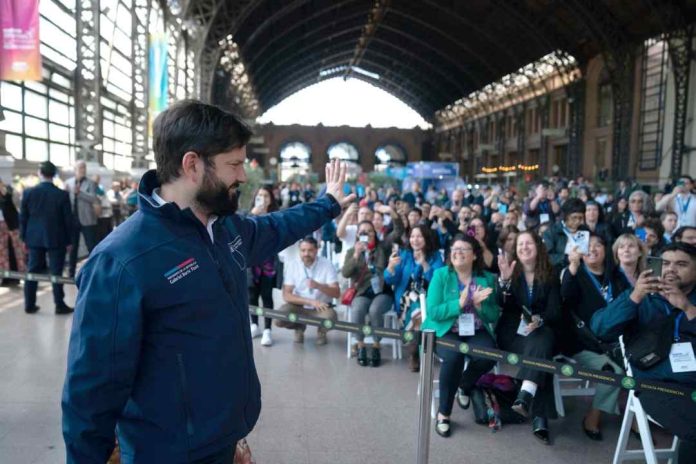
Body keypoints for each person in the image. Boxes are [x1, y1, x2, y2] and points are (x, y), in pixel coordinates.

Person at [61, 100, 354, 463]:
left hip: (223, 438)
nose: (243, 176)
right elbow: (91, 393)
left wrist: (327, 204)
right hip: (166, 453)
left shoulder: (225, 228)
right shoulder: (121, 262)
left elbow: (276, 227)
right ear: (192, 164)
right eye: (233, 164)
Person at [591, 242, 696, 462]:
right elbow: (600, 328)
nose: (671, 269)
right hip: (657, 385)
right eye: (665, 263)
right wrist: (635, 297)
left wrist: (688, 308)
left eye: (681, 264)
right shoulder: (642, 295)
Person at [423, 234, 500, 437]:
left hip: (476, 330)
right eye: (454, 249)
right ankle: (444, 413)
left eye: (463, 249)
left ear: (474, 255)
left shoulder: (486, 278)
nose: (457, 252)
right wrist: (458, 304)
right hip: (446, 330)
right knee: (453, 357)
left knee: (490, 354)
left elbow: (493, 315)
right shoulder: (441, 275)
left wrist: (480, 306)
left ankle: (464, 385)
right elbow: (434, 312)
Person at [497, 231, 561, 445]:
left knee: (542, 342)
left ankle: (525, 396)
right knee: (543, 352)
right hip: (513, 333)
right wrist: (504, 282)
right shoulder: (511, 273)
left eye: (529, 243)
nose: (524, 247)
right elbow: (501, 304)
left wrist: (540, 319)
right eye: (520, 244)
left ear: (538, 247)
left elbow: (556, 311)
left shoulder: (550, 275)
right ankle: (536, 411)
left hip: (541, 331)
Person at [560, 233, 626, 441]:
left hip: (617, 342)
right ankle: (593, 417)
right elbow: (565, 298)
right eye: (588, 246)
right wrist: (572, 266)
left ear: (606, 250)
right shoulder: (575, 275)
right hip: (585, 344)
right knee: (613, 373)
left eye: (598, 244)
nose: (593, 249)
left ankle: (633, 420)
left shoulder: (615, 276)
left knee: (643, 366)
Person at [384, 225, 444, 371]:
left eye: (419, 236)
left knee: (421, 308)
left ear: (426, 238)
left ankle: (415, 353)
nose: (415, 240)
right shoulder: (404, 255)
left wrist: (424, 263)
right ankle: (417, 352)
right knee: (418, 310)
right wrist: (390, 267)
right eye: (412, 236)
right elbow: (391, 280)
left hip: (429, 296)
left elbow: (438, 280)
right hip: (406, 297)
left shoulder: (435, 256)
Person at [19, 161, 74, 315]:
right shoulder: (62, 195)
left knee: (32, 270)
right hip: (57, 238)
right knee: (56, 272)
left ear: (40, 173)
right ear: (54, 175)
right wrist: (69, 241)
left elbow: (23, 218)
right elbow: (67, 220)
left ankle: (29, 304)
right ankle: (59, 304)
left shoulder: (29, 193)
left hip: (34, 238)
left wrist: (24, 238)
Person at [342, 220, 391, 367]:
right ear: (357, 235)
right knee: (357, 309)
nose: (366, 234)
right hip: (362, 292)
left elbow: (397, 233)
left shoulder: (383, 248)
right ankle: (361, 345)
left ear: (374, 233)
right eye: (362, 232)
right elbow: (345, 273)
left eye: (369, 231)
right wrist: (357, 255)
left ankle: (376, 346)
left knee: (374, 310)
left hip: (382, 292)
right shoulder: (352, 251)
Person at [276, 236, 340, 345]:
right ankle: (299, 326)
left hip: (322, 307)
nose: (306, 254)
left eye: (310, 250)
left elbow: (336, 293)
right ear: (299, 251)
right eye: (303, 250)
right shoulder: (293, 265)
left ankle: (321, 331)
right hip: (299, 306)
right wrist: (310, 302)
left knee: (331, 318)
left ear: (317, 250)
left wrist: (319, 286)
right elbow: (286, 295)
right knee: (279, 318)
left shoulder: (327, 264)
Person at [247, 186, 278, 347]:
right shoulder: (249, 214)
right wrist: (253, 215)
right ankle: (254, 325)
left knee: (267, 296)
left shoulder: (275, 216)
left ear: (271, 199)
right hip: (252, 264)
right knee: (251, 295)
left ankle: (267, 330)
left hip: (268, 264)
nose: (263, 198)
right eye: (260, 195)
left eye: (266, 195)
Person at [64, 160, 100, 278]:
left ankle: (94, 270)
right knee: (72, 248)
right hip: (72, 220)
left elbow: (93, 199)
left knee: (91, 246)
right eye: (80, 168)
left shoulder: (91, 183)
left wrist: (80, 193)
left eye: (84, 168)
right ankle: (71, 272)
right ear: (75, 169)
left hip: (87, 219)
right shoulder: (68, 183)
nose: (83, 170)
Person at [543, 198, 588, 269]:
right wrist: (566, 258)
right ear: (565, 216)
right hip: (560, 272)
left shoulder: (585, 230)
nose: (577, 221)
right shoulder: (551, 232)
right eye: (574, 217)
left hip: (582, 271)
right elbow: (547, 257)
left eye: (580, 218)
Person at [0, 177, 25, 286]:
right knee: (2, 253)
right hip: (2, 225)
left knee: (15, 251)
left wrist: (6, 194)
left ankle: (17, 277)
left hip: (12, 225)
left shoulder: (9, 191)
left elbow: (18, 206)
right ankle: (5, 277)